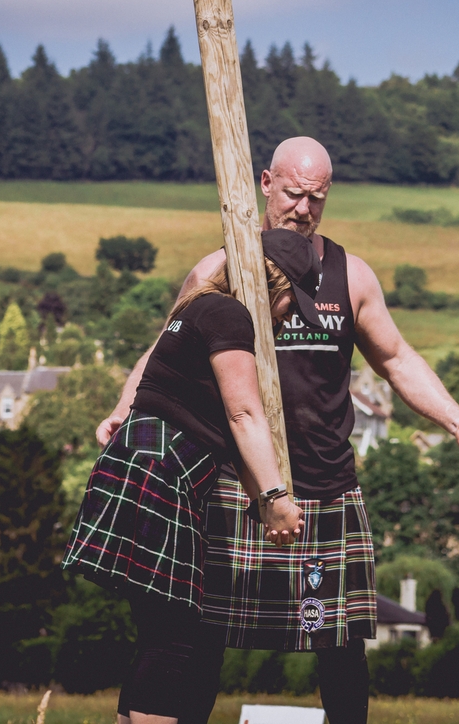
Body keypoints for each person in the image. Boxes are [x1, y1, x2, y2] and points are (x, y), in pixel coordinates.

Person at [97, 136, 459, 724]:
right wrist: (122, 409)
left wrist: (453, 416)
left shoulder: (350, 275)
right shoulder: (220, 270)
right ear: (266, 183)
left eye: (317, 197)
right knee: (201, 636)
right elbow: (165, 351)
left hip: (326, 486)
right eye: (293, 194)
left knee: (339, 644)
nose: (304, 209)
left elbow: (395, 358)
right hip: (234, 484)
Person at [65, 229, 325, 724]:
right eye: (293, 302)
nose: (290, 317)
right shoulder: (230, 314)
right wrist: (276, 494)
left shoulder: (199, 304)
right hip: (162, 473)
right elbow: (243, 415)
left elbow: (226, 435)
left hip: (143, 466)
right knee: (177, 635)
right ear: (274, 281)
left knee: (161, 631)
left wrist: (264, 507)